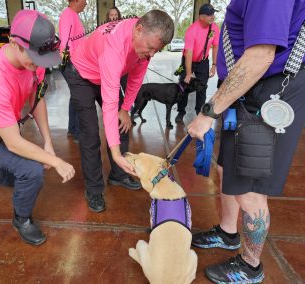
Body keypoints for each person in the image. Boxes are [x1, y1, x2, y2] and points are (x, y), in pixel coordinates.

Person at [187, 1, 305, 283]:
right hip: (246, 89)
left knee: (250, 190)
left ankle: (251, 265)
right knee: (228, 169)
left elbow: (261, 55)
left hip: (271, 88)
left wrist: (209, 112)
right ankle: (228, 233)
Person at [0, 10, 75, 246]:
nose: (38, 65)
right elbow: (13, 142)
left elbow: (37, 98)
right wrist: (55, 161)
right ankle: (21, 219)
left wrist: (48, 143)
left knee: (27, 170)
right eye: (34, 58)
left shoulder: (33, 62)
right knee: (31, 171)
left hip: (7, 123)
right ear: (14, 44)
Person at [63, 10, 174, 212]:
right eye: (150, 48)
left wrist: (125, 110)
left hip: (103, 72)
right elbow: (109, 102)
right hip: (81, 75)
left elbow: (136, 79)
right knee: (90, 135)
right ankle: (94, 190)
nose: (151, 55)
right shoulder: (114, 48)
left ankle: (118, 174)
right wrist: (115, 152)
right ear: (138, 30)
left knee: (123, 122)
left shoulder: (143, 42)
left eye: (155, 51)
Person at [175, 3, 220, 123]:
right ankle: (181, 111)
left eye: (213, 14)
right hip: (188, 60)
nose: (212, 17)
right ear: (201, 17)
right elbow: (188, 54)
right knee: (183, 86)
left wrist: (214, 64)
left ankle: (200, 112)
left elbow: (216, 46)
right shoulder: (192, 31)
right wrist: (189, 73)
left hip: (203, 62)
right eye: (209, 15)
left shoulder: (214, 28)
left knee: (202, 87)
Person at [59, 0, 87, 144]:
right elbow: (65, 42)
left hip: (76, 63)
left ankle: (72, 129)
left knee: (75, 96)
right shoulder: (68, 14)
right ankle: (76, 133)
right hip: (71, 63)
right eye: (84, 0)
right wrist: (72, 63)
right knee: (79, 96)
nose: (86, 3)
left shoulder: (73, 15)